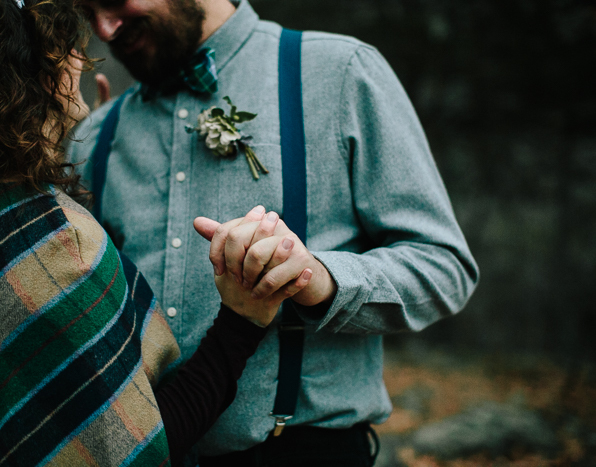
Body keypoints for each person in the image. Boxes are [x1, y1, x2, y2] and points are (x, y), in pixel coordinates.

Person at [0, 0, 314, 466]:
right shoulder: (55, 247)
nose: (83, 52)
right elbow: (144, 443)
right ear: (27, 72)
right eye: (64, 45)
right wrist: (241, 319)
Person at [67, 0, 480, 465]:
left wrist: (319, 280)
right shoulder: (96, 134)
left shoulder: (340, 72)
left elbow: (444, 266)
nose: (104, 28)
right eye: (88, 11)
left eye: (113, 0)